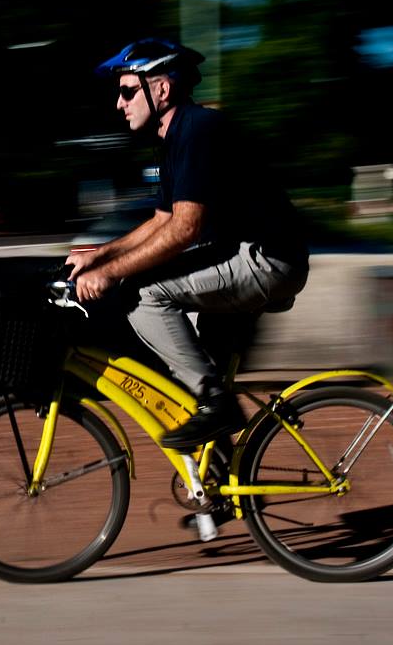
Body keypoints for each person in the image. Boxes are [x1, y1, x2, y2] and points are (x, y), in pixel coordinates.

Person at [66, 37, 309, 448]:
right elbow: (162, 220)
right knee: (194, 373)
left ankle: (218, 405)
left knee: (142, 296)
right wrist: (99, 254)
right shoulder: (175, 137)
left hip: (267, 259)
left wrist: (108, 274)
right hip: (247, 255)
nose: (119, 104)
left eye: (127, 91)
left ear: (161, 89)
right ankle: (222, 484)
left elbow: (185, 230)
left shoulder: (198, 128)